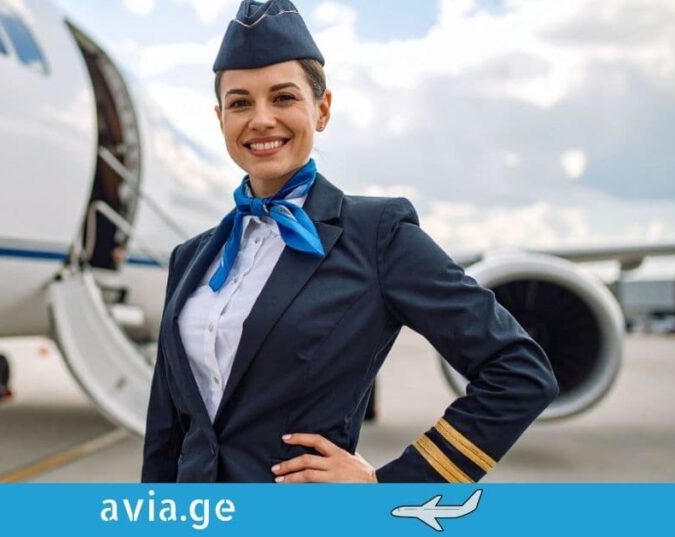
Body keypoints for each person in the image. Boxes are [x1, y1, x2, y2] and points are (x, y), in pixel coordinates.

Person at [141, 0, 559, 483]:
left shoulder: (376, 235)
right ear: (220, 120)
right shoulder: (192, 258)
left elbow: (520, 371)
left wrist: (389, 488)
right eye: (240, 103)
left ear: (322, 109)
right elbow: (167, 430)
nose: (260, 120)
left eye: (283, 98)